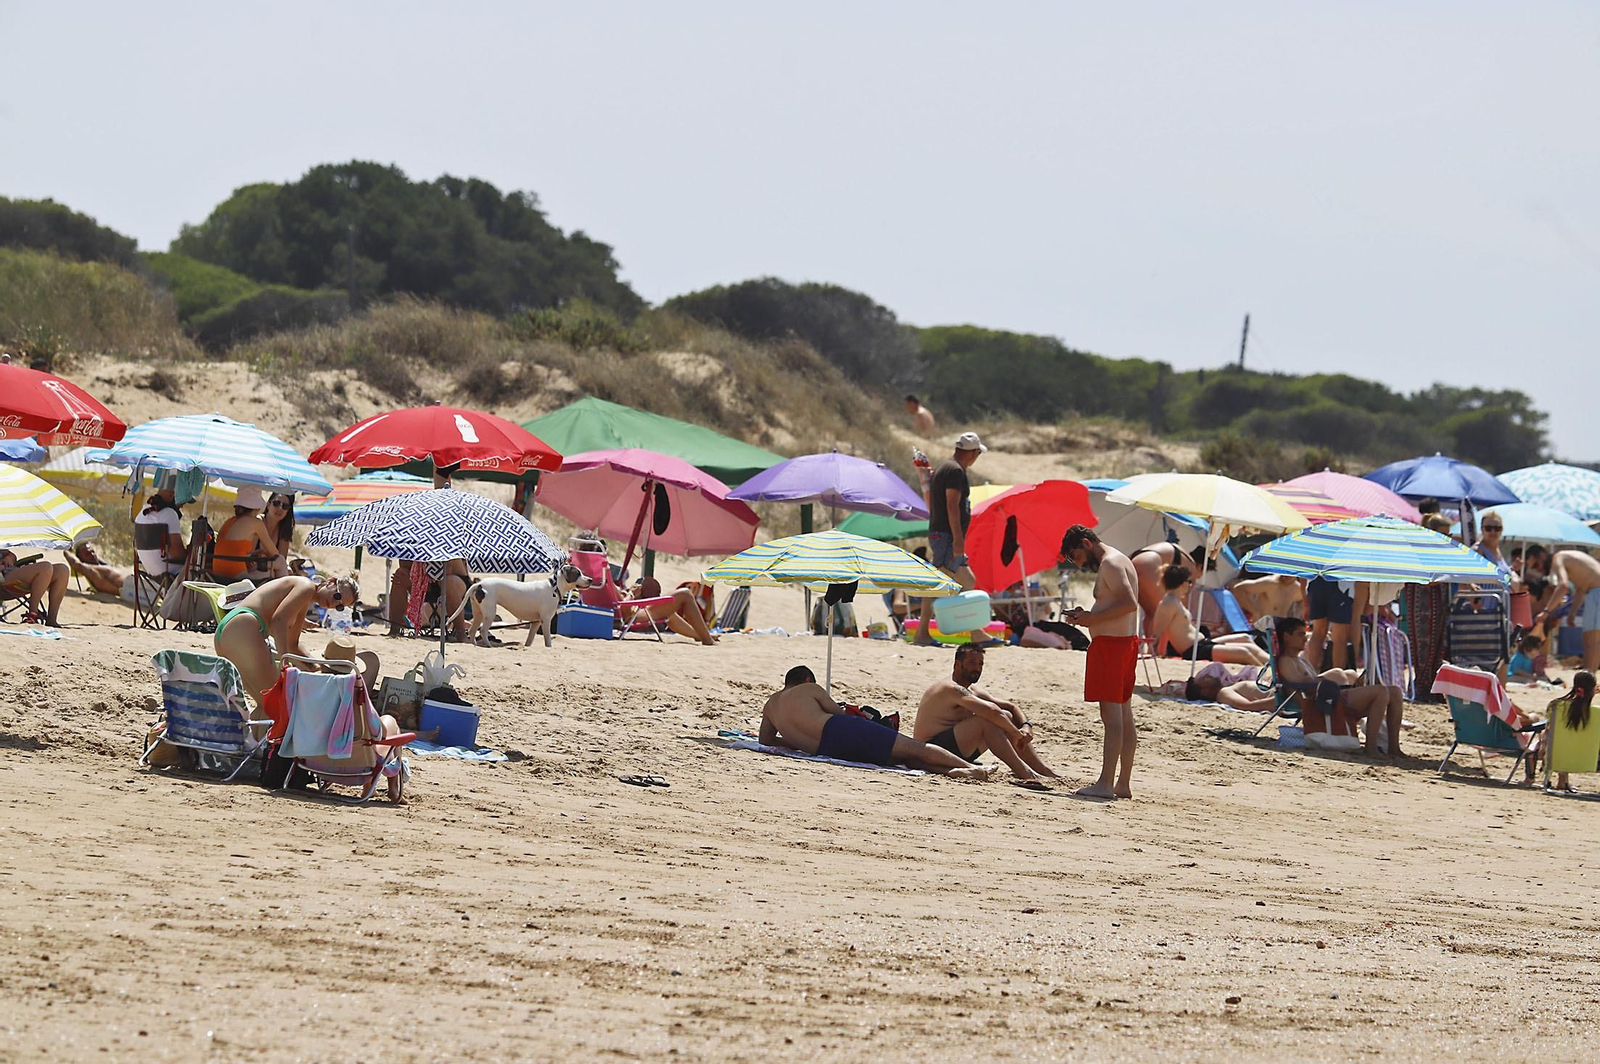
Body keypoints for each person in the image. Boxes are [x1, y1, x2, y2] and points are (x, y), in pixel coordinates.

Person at [759, 665, 994, 779]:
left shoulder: (770, 704)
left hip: (825, 750)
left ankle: (955, 772)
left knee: (901, 759)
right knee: (914, 748)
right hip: (838, 729)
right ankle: (971, 768)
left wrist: (796, 738)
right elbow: (838, 714)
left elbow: (766, 741)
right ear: (807, 679)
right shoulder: (809, 688)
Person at [1059, 524, 1140, 799]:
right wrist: (1087, 615)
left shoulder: (1111, 564)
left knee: (1112, 717)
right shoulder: (1120, 559)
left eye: (1076, 556)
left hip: (1113, 648)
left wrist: (1092, 619)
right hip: (1124, 644)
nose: (1078, 564)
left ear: (1086, 542)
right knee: (1125, 717)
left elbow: (1129, 603)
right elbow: (1116, 605)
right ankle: (1123, 783)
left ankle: (1106, 783)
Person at [913, 643, 1059, 788]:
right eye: (971, 662)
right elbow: (992, 712)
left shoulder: (971, 690)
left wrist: (1026, 727)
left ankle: (1041, 769)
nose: (977, 668)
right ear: (958, 664)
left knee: (1006, 716)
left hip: (956, 749)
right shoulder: (950, 687)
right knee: (985, 722)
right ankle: (1026, 774)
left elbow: (1011, 707)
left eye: (980, 663)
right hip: (929, 752)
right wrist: (1016, 733)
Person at [213, 574, 359, 703]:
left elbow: (292, 645)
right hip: (245, 628)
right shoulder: (306, 586)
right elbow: (279, 621)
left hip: (229, 629)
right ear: (331, 582)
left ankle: (258, 735)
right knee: (277, 702)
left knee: (265, 705)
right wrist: (285, 664)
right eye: (337, 596)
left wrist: (316, 666)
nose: (334, 603)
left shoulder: (303, 601)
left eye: (340, 606)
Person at [1274, 617, 1404, 757]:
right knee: (1380, 691)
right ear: (1286, 636)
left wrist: (1350, 686)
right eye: (1300, 634)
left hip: (1329, 697)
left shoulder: (1300, 661)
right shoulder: (1286, 661)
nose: (1305, 639)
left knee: (1395, 692)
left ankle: (1393, 748)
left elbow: (1313, 684)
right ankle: (1370, 747)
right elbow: (1303, 686)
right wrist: (1326, 679)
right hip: (1319, 705)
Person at [914, 433, 987, 646]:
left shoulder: (946, 467)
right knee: (953, 582)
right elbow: (952, 506)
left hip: (941, 534)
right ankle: (925, 632)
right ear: (972, 453)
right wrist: (958, 539)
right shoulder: (955, 471)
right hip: (947, 535)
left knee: (952, 581)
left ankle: (973, 632)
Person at [1151, 566, 1268, 665]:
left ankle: (1274, 665)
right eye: (1189, 582)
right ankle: (1267, 672)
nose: (1190, 585)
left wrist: (1162, 652)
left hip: (1201, 643)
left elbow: (1167, 629)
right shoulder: (1168, 603)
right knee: (1245, 652)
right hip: (1194, 650)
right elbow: (1158, 631)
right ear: (1183, 583)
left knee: (1245, 638)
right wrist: (1155, 653)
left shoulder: (1176, 601)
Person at [1128, 541, 1204, 631]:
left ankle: (1149, 642)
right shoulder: (1191, 567)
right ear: (1200, 566)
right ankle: (1154, 643)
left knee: (1143, 611)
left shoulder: (1180, 554)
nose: (1199, 577)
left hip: (1134, 559)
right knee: (1157, 614)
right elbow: (1183, 598)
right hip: (1150, 563)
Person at [622, 576, 719, 645]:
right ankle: (707, 639)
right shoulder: (607, 579)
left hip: (632, 610)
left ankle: (699, 635)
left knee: (670, 614)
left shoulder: (607, 581)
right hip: (632, 613)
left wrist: (626, 592)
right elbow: (623, 611)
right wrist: (631, 594)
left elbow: (618, 604)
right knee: (685, 594)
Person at [212, 485, 281, 581]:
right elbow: (275, 553)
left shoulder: (229, 522)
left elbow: (232, 550)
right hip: (236, 575)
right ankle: (287, 593)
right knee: (280, 561)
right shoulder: (256, 522)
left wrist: (255, 553)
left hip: (218, 574)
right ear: (257, 507)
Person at [1547, 550, 1600, 672]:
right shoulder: (1575, 563)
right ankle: (1587, 675)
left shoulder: (1558, 557)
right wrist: (1572, 613)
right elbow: (1581, 589)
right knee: (1588, 639)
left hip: (1596, 592)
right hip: (1593, 591)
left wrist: (1546, 611)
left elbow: (1563, 585)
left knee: (1593, 640)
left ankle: (1589, 677)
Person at [1548, 672, 1597, 792]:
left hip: (1556, 756)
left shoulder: (1556, 706)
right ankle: (1563, 782)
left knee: (1562, 741)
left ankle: (1562, 781)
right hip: (1590, 761)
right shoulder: (1596, 713)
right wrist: (1591, 697)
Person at [0, 548, 69, 626]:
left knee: (62, 570)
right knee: (45, 567)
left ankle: (51, 619)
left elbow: (10, 554)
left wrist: (9, 558)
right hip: (2, 578)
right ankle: (33, 613)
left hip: (10, 571)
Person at [133, 487, 187, 580]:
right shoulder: (169, 514)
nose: (181, 506)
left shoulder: (141, 514)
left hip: (152, 575)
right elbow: (177, 554)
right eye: (182, 501)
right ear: (171, 494)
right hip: (172, 576)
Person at [1306, 576, 1356, 671]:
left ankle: (1310, 673)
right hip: (1340, 582)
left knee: (1318, 632)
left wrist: (1305, 601)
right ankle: (1338, 677)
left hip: (1316, 578)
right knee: (1339, 636)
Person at [1228, 574, 1305, 624]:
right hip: (1263, 628)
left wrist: (1296, 618)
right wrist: (1254, 611)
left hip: (1281, 630)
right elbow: (1238, 589)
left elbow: (1303, 601)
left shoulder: (1297, 589)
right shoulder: (1269, 583)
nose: (1288, 575)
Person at [1184, 671, 1277, 712]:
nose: (1207, 675)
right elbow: (1247, 705)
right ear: (1204, 692)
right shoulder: (1223, 693)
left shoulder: (1228, 689)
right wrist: (1279, 700)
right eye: (1203, 679)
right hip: (1284, 696)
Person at [62, 542, 127, 596]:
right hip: (131, 590)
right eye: (87, 554)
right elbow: (75, 564)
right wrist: (66, 550)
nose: (92, 555)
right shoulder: (93, 571)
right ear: (82, 560)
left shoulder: (102, 566)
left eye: (92, 551)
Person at [261, 492, 296, 579]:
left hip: (270, 571)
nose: (280, 508)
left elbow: (282, 559)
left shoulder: (284, 530)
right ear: (269, 504)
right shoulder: (259, 522)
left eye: (285, 506)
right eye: (276, 503)